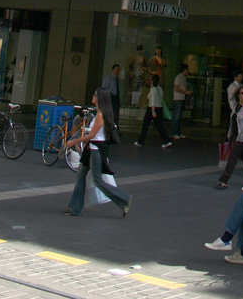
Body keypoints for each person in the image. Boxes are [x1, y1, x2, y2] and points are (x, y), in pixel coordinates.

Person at [64, 87, 131, 217]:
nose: (93, 97)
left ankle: (124, 199)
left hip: (96, 150)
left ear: (100, 98)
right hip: (91, 148)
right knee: (81, 176)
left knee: (97, 181)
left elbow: (92, 135)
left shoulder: (100, 115)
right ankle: (75, 208)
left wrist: (74, 141)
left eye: (95, 95)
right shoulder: (99, 114)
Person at [134, 74, 172, 148]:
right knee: (159, 126)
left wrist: (153, 111)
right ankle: (167, 141)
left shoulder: (152, 89)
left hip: (151, 109)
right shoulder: (160, 88)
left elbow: (152, 101)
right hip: (159, 108)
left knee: (145, 125)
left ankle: (140, 141)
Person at [171, 63, 193, 139]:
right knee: (176, 117)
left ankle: (178, 132)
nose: (188, 71)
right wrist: (185, 92)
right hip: (177, 99)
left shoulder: (184, 78)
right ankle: (174, 133)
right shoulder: (178, 77)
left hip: (182, 99)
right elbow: (176, 88)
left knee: (179, 117)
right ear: (184, 69)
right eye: (187, 69)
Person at [101, 63, 121, 128]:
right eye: (116, 69)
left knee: (116, 114)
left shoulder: (118, 79)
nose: (118, 71)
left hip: (116, 98)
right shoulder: (108, 78)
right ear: (113, 70)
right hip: (110, 97)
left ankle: (115, 126)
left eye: (118, 70)